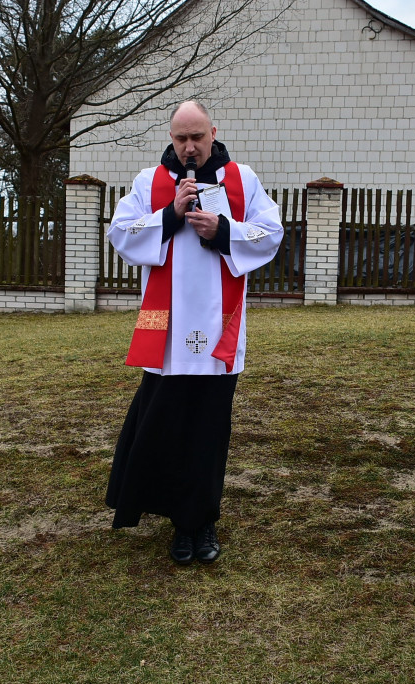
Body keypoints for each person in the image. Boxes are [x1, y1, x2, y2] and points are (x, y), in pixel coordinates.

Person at [105, 100, 283, 565]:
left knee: (207, 431)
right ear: (171, 137)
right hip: (165, 330)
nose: (189, 147)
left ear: (213, 132)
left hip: (220, 327)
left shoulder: (242, 179)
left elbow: (271, 233)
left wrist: (223, 231)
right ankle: (172, 517)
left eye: (197, 137)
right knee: (163, 426)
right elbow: (120, 233)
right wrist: (169, 216)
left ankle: (199, 522)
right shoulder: (150, 182)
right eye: (181, 138)